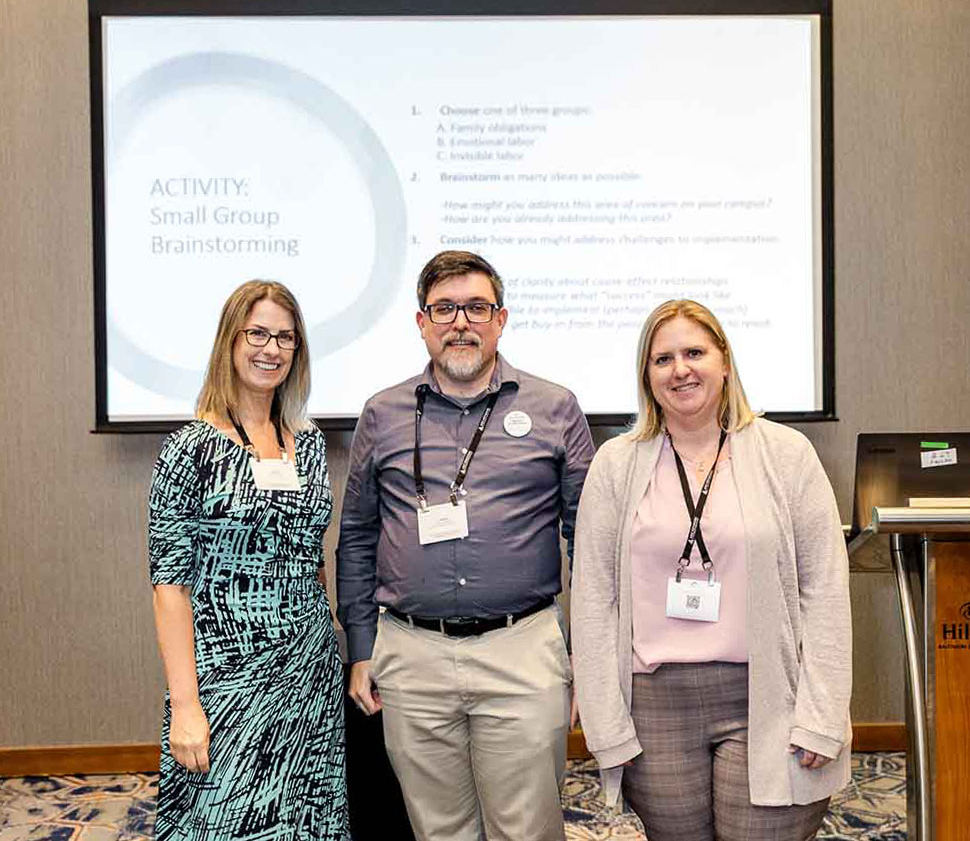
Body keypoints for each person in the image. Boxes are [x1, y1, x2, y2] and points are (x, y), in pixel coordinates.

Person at [337, 250, 594, 841]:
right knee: (439, 829)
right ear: (421, 322)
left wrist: (588, 652)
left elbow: (590, 539)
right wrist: (361, 645)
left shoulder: (555, 408)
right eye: (445, 308)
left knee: (526, 828)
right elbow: (356, 537)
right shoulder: (382, 413)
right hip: (410, 652)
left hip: (522, 649)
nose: (461, 322)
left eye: (476, 307)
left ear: (500, 319)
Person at [572, 299, 851, 841]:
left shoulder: (787, 454)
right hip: (655, 705)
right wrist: (607, 722)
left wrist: (821, 715)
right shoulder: (616, 463)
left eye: (694, 352)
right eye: (663, 359)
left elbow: (825, 591)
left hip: (767, 694)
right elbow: (592, 597)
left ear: (724, 361)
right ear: (647, 376)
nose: (680, 369)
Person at [149, 280, 349, 840]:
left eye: (286, 338)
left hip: (309, 674)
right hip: (226, 680)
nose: (272, 349)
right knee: (227, 821)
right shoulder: (190, 448)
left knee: (307, 820)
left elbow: (311, 553)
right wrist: (185, 705)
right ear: (230, 343)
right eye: (257, 333)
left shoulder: (306, 445)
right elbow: (169, 585)